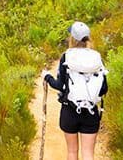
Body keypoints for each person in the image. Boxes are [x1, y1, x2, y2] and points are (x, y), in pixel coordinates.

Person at [43, 21, 108, 160]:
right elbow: (103, 89)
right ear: (87, 38)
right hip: (90, 112)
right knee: (88, 154)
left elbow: (60, 85)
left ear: (72, 38)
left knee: (72, 153)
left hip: (69, 111)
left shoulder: (66, 57)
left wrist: (47, 77)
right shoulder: (96, 58)